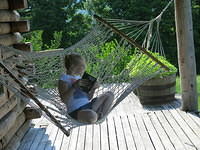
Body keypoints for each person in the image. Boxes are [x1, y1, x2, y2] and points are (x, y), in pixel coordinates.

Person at [58, 54, 114, 123]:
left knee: (109, 95)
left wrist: (93, 89)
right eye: (82, 66)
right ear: (73, 67)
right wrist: (74, 87)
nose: (84, 69)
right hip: (77, 111)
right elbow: (64, 100)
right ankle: (96, 116)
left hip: (89, 106)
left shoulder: (79, 78)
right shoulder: (64, 79)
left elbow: (88, 98)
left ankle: (99, 117)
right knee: (91, 115)